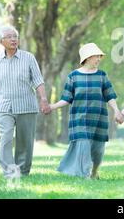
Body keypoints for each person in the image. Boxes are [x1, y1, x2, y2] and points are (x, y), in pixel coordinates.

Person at [49, 43, 120, 179]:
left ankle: (94, 172)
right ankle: (84, 174)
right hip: (79, 118)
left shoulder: (101, 75)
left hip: (99, 118)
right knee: (83, 145)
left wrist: (116, 110)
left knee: (98, 150)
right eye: (96, 56)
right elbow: (66, 98)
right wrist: (52, 107)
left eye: (100, 56)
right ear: (87, 58)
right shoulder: (73, 76)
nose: (99, 59)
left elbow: (110, 95)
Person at [0, 26, 51, 179]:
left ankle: (23, 171)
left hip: (26, 105)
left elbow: (38, 80)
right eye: (9, 37)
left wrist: (43, 100)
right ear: (1, 41)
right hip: (4, 105)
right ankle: (9, 172)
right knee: (5, 137)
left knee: (24, 141)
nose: (13, 39)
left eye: (15, 36)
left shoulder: (28, 57)